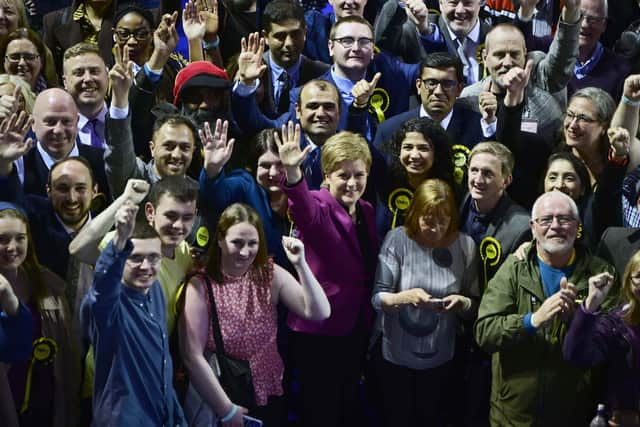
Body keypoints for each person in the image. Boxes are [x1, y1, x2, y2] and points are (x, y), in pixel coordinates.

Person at [179, 203, 330, 426]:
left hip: (268, 389)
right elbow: (192, 356)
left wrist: (300, 265)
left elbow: (319, 311)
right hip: (221, 393)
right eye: (237, 242)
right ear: (220, 240)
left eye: (252, 243)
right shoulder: (201, 285)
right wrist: (227, 411)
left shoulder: (268, 275)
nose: (245, 251)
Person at [475, 190, 617, 426]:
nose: (556, 226)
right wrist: (532, 321)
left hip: (573, 414)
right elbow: (485, 332)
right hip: (513, 416)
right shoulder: (514, 268)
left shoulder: (601, 275)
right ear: (533, 227)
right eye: (546, 219)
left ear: (577, 225)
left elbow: (611, 345)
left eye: (564, 219)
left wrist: (579, 319)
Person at [277, 125, 378, 426]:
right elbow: (302, 207)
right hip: (317, 332)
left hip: (354, 327)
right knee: (319, 412)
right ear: (327, 176)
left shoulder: (367, 210)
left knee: (346, 406)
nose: (351, 182)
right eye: (343, 175)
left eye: (358, 175)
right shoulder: (319, 205)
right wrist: (293, 174)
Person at [371, 178, 479, 426]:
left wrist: (462, 302)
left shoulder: (465, 245)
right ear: (415, 214)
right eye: (428, 221)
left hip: (441, 356)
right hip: (395, 355)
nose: (435, 229)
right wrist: (405, 297)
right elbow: (377, 298)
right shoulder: (398, 239)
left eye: (443, 221)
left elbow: (474, 305)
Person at [81, 201, 187, 426]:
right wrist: (119, 241)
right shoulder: (109, 303)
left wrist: (176, 416)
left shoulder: (155, 290)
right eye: (135, 258)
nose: (146, 266)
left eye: (153, 257)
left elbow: (163, 367)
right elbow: (102, 288)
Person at [0, 203, 78, 426]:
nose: (12, 247)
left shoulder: (47, 283)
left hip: (45, 395)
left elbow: (67, 351)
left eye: (19, 238)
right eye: (2, 239)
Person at [563, 251, 640, 427]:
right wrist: (591, 305)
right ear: (629, 282)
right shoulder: (617, 322)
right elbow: (575, 355)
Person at [200, 124, 291, 267]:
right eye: (265, 166)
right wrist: (212, 169)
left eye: (280, 164)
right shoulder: (245, 185)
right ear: (254, 167)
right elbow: (215, 195)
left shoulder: (299, 193)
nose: (273, 173)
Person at [372, 52, 485, 154]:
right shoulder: (388, 131)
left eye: (447, 84)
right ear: (418, 86)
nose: (438, 92)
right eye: (431, 83)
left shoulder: (479, 128)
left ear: (459, 89)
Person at [376, 117, 456, 238]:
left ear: (436, 153)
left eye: (423, 148)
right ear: (398, 150)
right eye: (408, 147)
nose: (414, 155)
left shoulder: (447, 190)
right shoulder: (386, 183)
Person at [257, 0, 329, 117]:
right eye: (280, 36)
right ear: (265, 37)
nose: (289, 43)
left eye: (295, 34)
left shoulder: (323, 73)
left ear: (305, 33)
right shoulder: (252, 71)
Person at [62, 42, 110, 150]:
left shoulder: (127, 121)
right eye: (79, 73)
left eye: (94, 71)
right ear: (65, 82)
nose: (88, 78)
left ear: (107, 76)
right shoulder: (57, 130)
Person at [0, 27, 57, 94]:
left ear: (41, 61)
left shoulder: (57, 95)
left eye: (29, 57)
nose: (22, 63)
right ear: (4, 61)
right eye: (14, 57)